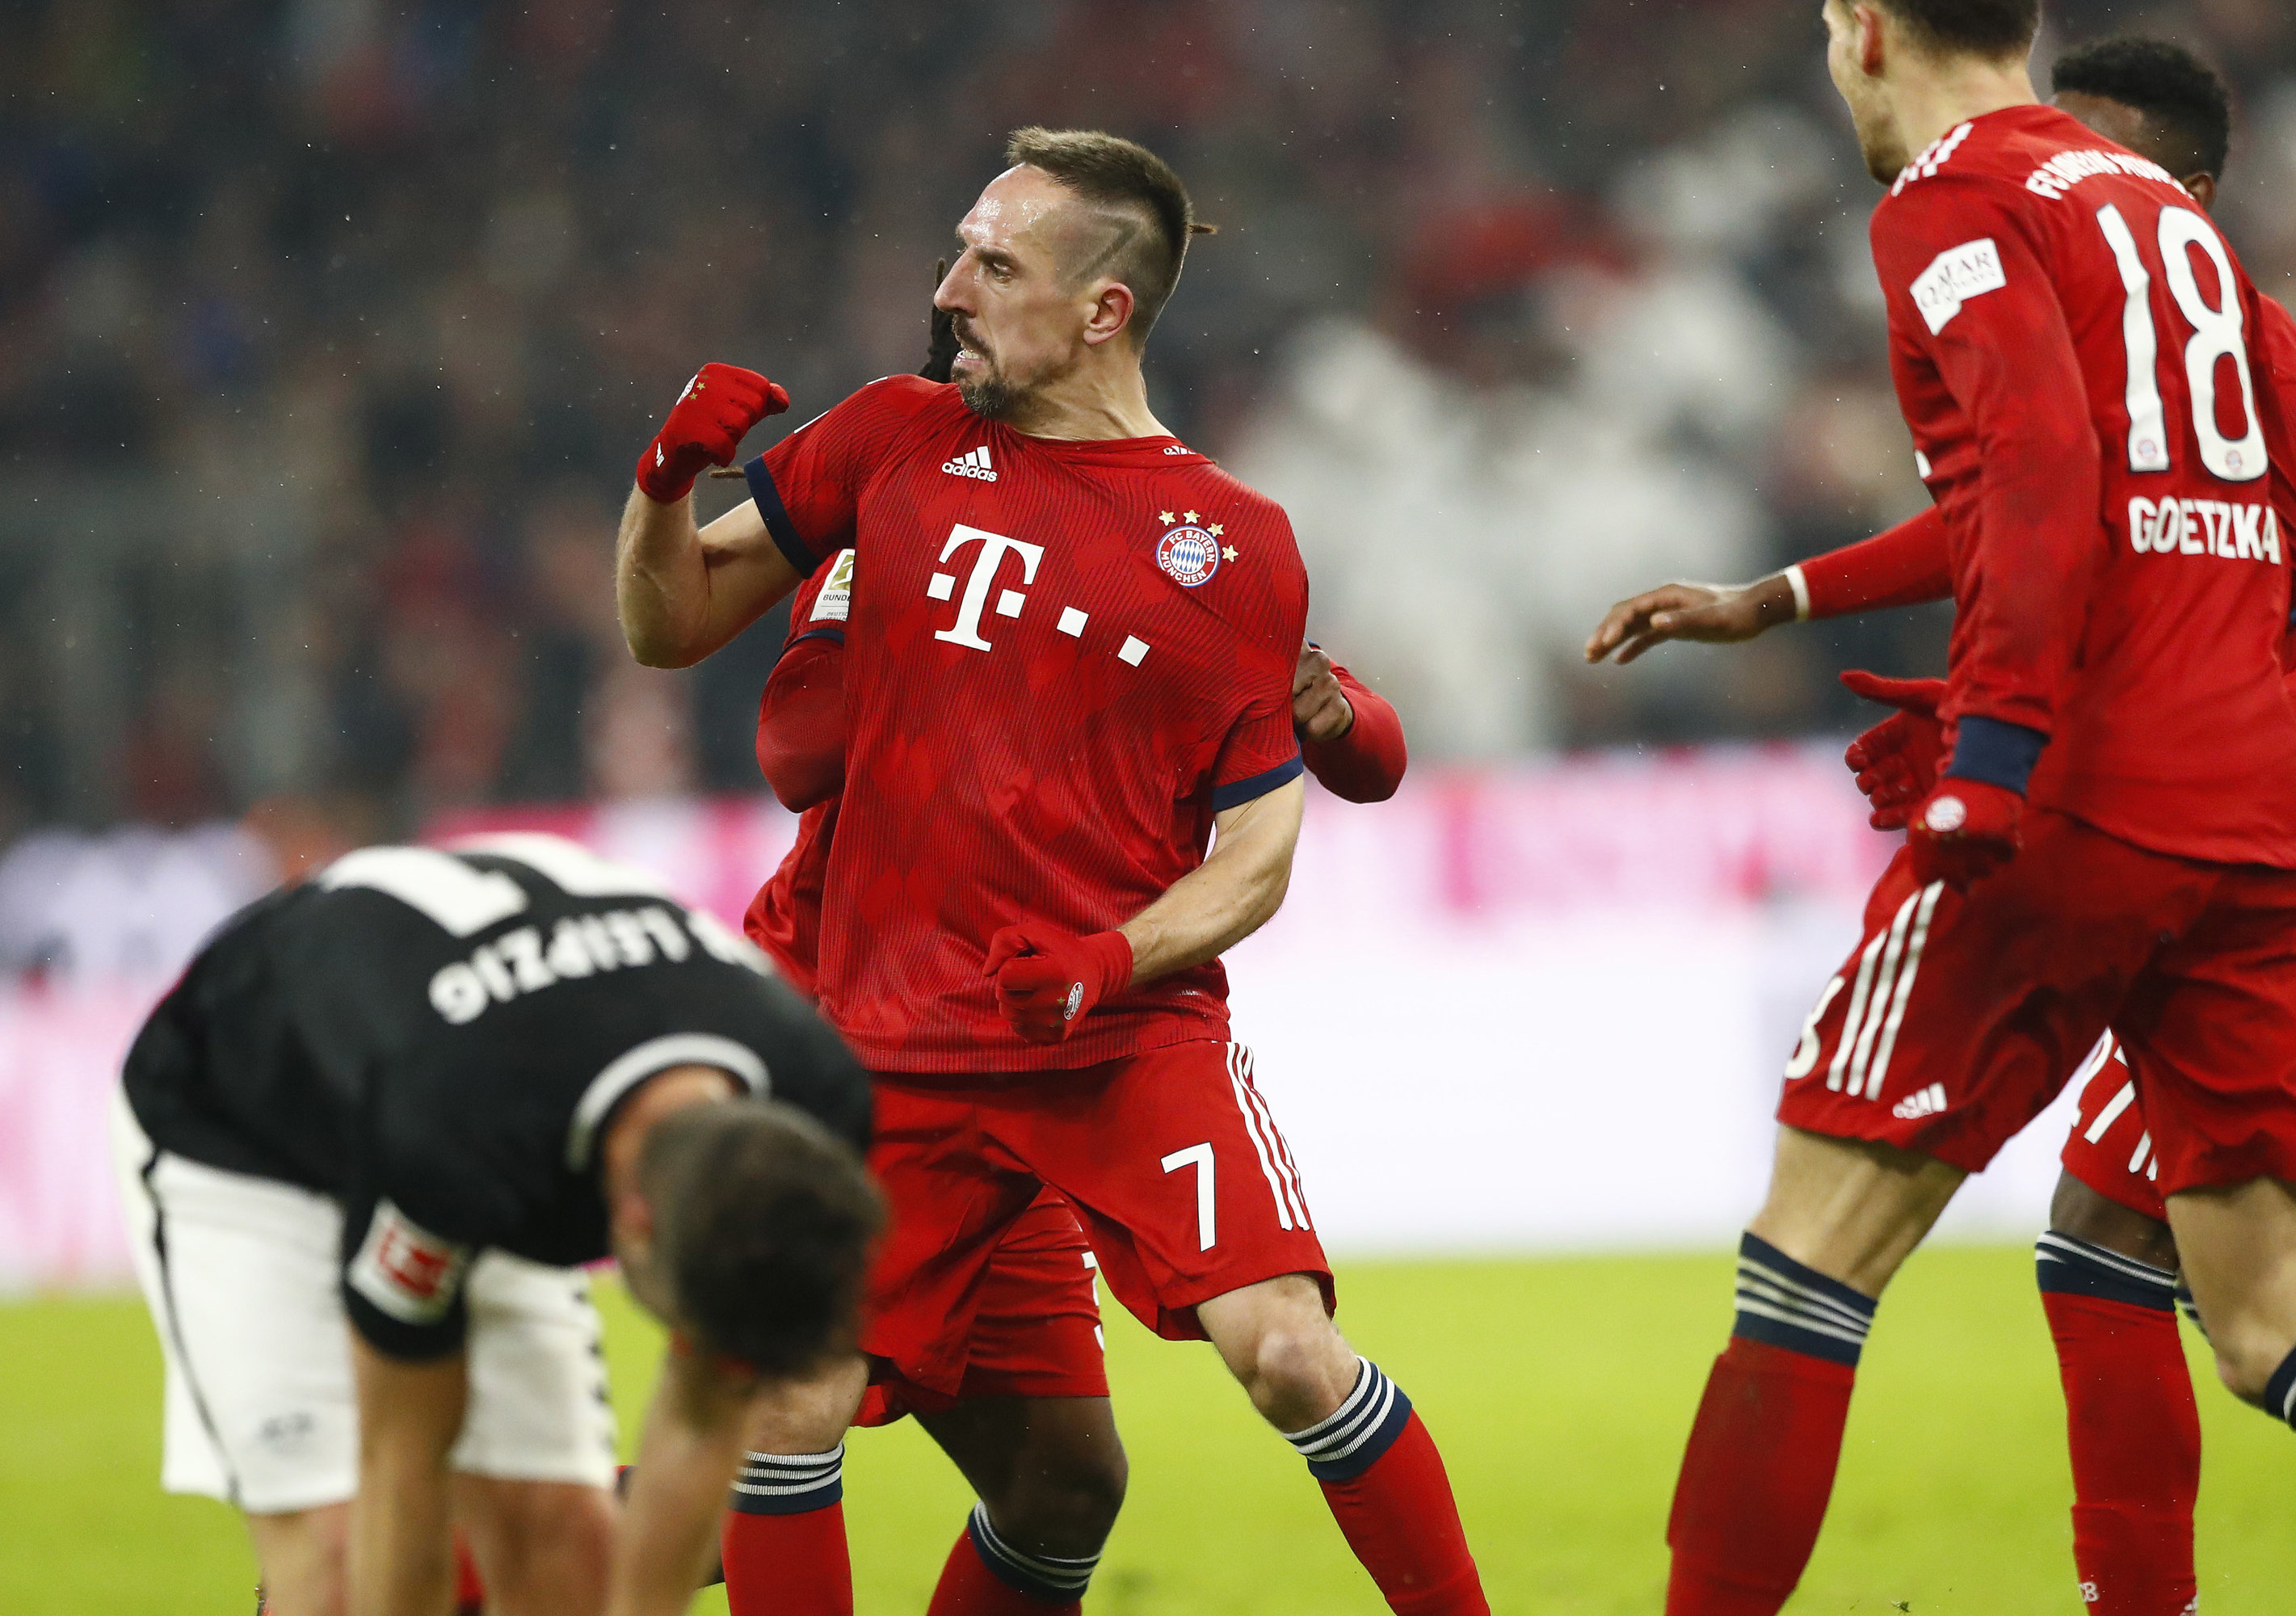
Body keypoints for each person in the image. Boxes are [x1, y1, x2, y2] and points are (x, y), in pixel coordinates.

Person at [1584, 3, 2296, 1610]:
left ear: (1866, 31)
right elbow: (2094, 498)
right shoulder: (2176, 227)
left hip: (2081, 812)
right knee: (2280, 1325)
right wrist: (1780, 599)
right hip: (2251, 829)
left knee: (1810, 1260)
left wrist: (1997, 755)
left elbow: (2040, 471)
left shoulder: (1955, 195)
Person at [615, 127, 1486, 1616]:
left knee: (1269, 1363)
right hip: (887, 1040)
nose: (948, 289)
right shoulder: (893, 438)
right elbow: (671, 628)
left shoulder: (1229, 541)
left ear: (1103, 310)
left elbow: (1265, 846)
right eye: (960, 252)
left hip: (1114, 1041)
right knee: (787, 1410)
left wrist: (1110, 958)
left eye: (994, 264)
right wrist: (663, 488)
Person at [724, 531, 1407, 1614]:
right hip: (842, 1043)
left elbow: (1361, 747)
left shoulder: (1159, 543)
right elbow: (799, 751)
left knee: (1063, 1486)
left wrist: (1334, 706)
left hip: (1022, 1045)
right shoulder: (906, 521)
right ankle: (485, 1549)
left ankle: (502, 1538)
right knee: (769, 1433)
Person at [112, 833, 881, 1616]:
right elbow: (404, 1458)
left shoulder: (812, 1102)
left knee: (561, 1536)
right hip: (245, 1121)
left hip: (477, 1057)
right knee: (339, 1560)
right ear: (631, 1222)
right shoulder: (457, 1148)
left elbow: (700, 1420)